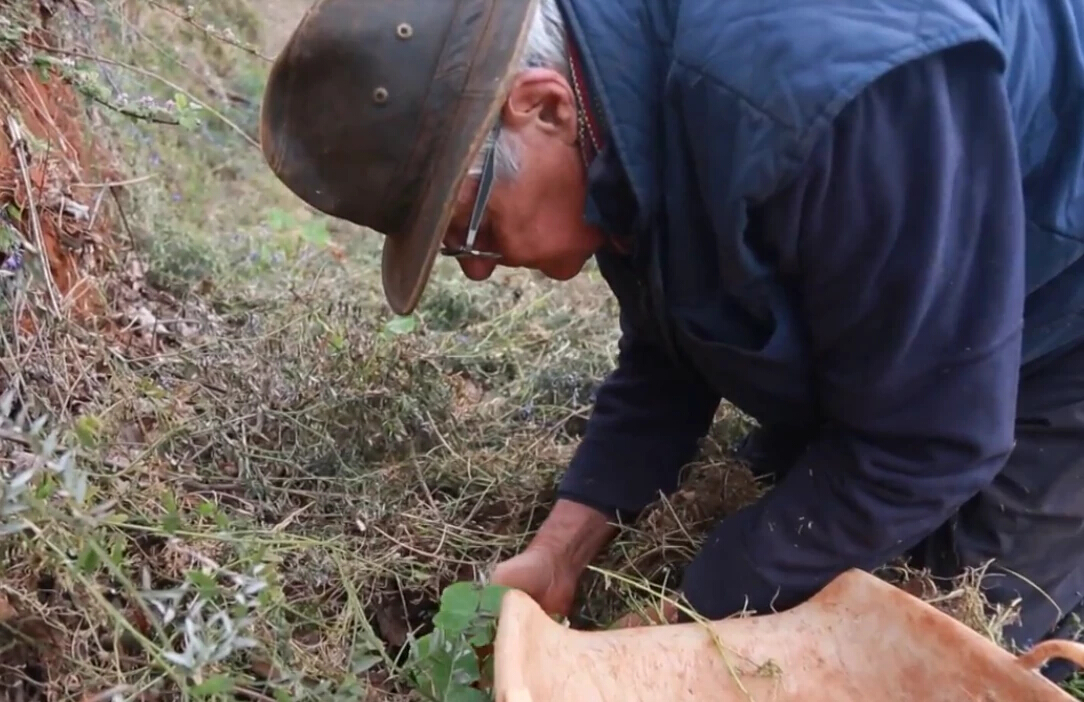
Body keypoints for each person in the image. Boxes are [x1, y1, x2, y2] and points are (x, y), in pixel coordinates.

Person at [259, 0, 1084, 682]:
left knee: (935, 639)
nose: (477, 274)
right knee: (805, 535)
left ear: (542, 106)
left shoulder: (819, 96)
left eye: (466, 230)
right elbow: (670, 343)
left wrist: (688, 622)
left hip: (1063, 311)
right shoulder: (612, 106)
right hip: (914, 281)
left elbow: (930, 439)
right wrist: (562, 550)